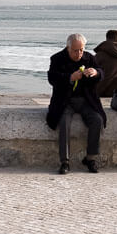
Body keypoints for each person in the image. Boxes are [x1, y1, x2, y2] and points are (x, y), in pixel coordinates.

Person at [46, 33, 105, 174]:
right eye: (75, 50)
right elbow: (52, 78)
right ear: (68, 48)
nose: (79, 53)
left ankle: (90, 158)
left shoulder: (89, 58)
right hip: (64, 101)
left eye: (81, 50)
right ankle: (64, 161)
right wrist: (70, 77)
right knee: (64, 122)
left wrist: (95, 72)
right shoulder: (57, 58)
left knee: (97, 120)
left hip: (86, 100)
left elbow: (102, 73)